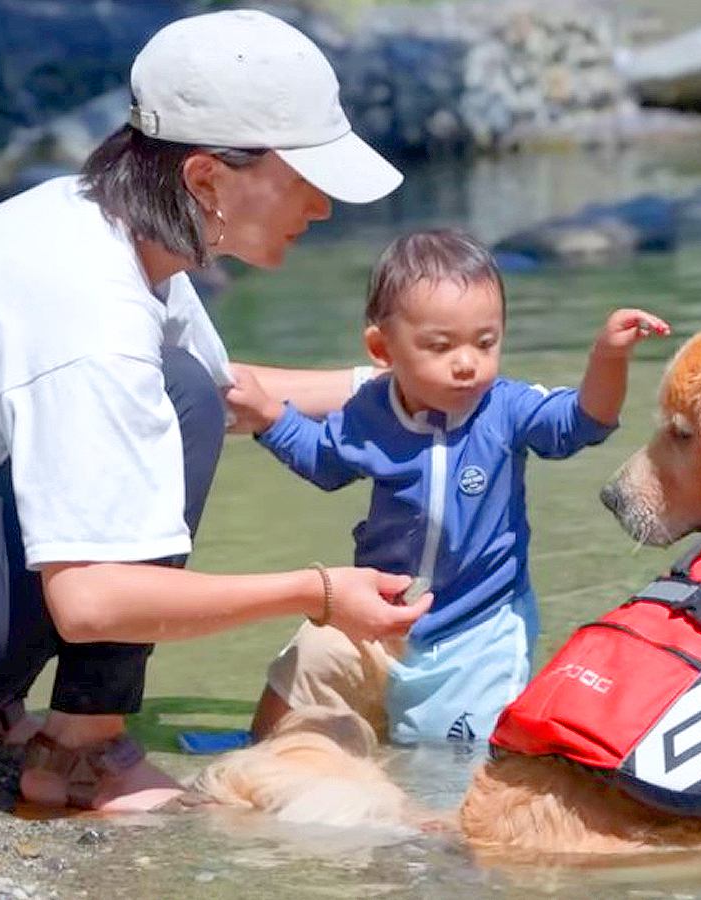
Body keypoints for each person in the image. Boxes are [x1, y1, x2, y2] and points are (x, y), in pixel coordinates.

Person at [0, 9, 432, 812]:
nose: (325, 208)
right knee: (177, 391)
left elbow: (236, 396)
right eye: (307, 180)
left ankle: (61, 740)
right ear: (204, 178)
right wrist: (319, 591)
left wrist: (431, 385)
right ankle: (86, 752)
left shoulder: (106, 223)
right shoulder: (88, 303)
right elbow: (90, 602)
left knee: (187, 387)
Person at [236, 229, 670, 745]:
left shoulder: (505, 409)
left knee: (451, 761)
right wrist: (269, 418)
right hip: (380, 610)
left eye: (486, 343)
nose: (467, 362)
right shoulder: (373, 412)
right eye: (440, 346)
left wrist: (607, 359)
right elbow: (325, 461)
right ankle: (258, 757)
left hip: (478, 629)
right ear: (382, 348)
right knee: (305, 666)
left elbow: (580, 422)